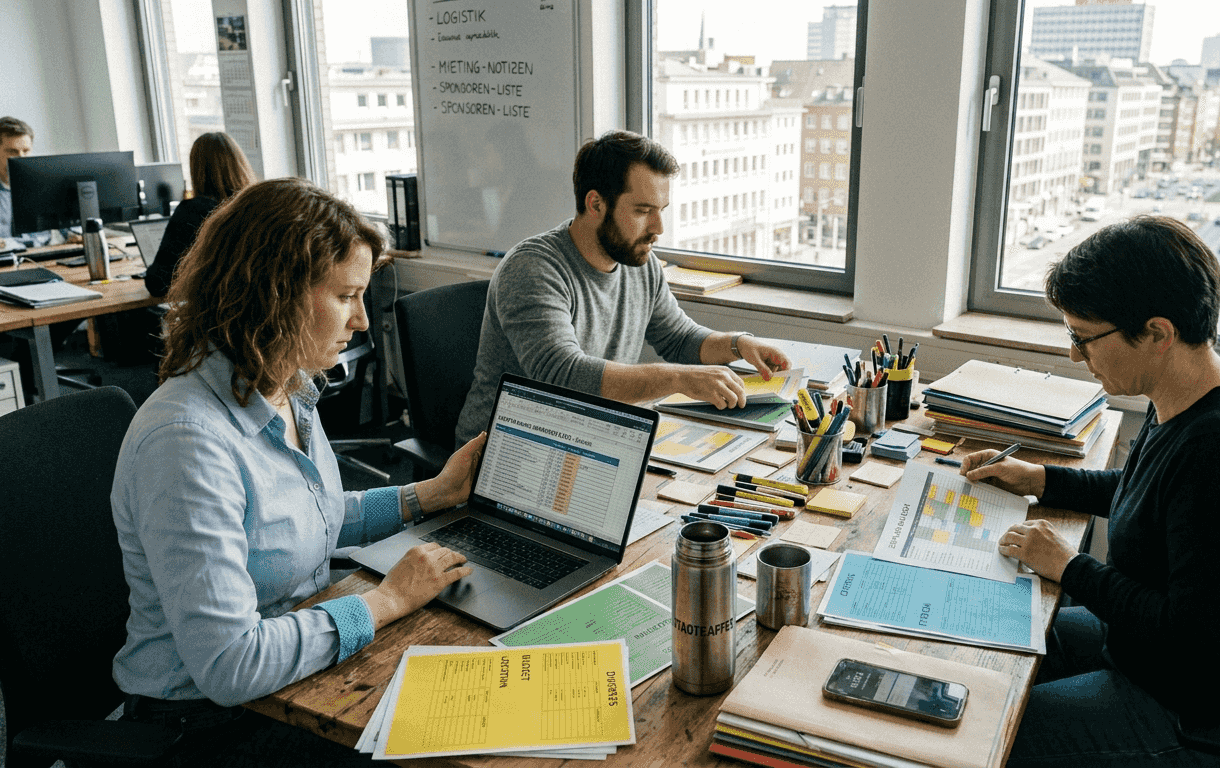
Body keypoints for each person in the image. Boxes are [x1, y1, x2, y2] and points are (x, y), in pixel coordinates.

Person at [111, 177, 485, 765]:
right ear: (273, 295)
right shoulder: (187, 443)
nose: (362, 321)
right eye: (345, 296)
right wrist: (387, 602)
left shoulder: (287, 392)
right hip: (205, 726)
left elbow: (313, 521)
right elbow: (231, 665)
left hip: (292, 677)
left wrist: (433, 495)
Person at [962, 215, 1220, 767]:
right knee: (997, 632)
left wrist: (1071, 567)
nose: (1074, 356)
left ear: (1157, 333)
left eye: (1084, 338)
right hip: (1152, 654)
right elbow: (1150, 496)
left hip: (1211, 708)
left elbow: (1193, 643)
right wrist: (1040, 478)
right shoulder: (1191, 391)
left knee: (987, 733)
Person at [454, 130, 789, 444]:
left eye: (661, 211)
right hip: (508, 450)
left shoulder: (636, 261)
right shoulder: (533, 268)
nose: (658, 228)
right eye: (643, 211)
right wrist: (679, 378)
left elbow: (679, 338)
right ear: (596, 204)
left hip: (594, 437)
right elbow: (562, 375)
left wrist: (738, 344)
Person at [144, 131, 255, 297]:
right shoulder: (256, 206)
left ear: (197, 170)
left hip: (215, 315)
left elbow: (159, 283)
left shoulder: (194, 211)